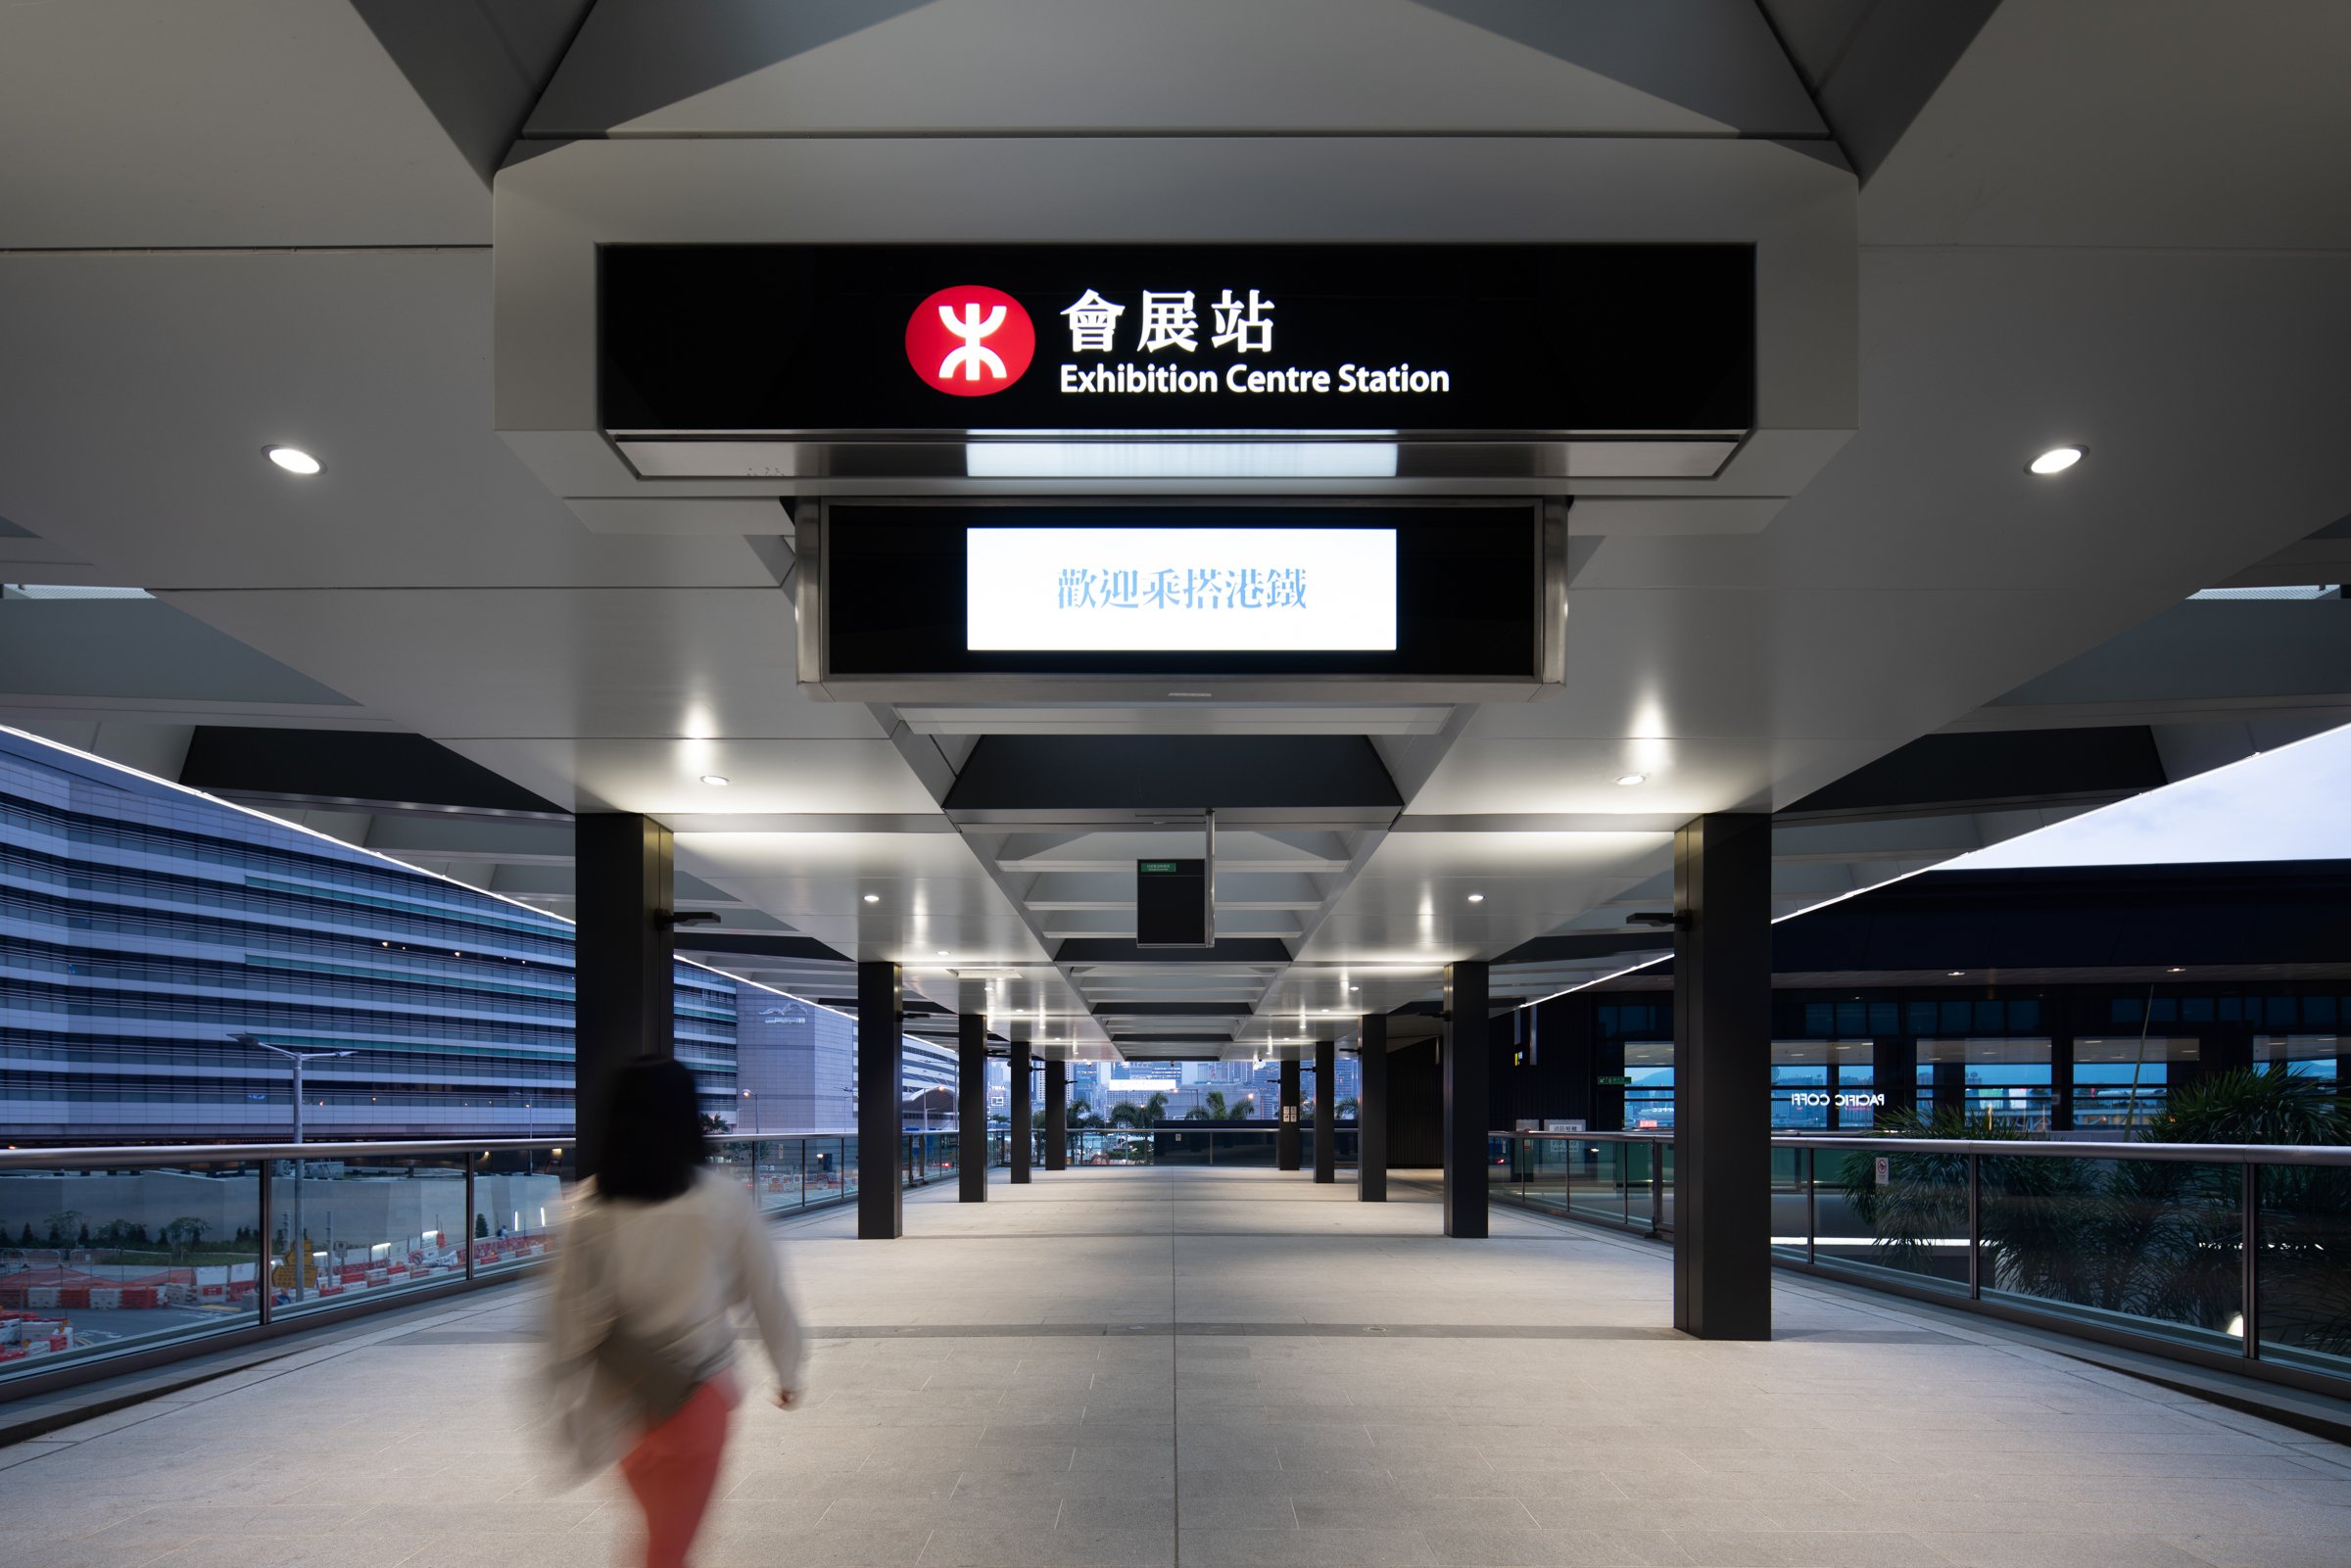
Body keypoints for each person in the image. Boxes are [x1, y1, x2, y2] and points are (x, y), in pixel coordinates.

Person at [546, 1057, 804, 1568]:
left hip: (622, 1404)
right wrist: (788, 1367)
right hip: (697, 1398)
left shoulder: (587, 1207)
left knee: (657, 1542)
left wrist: (562, 1408)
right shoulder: (723, 1200)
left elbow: (564, 1318)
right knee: (666, 1552)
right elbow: (766, 1292)